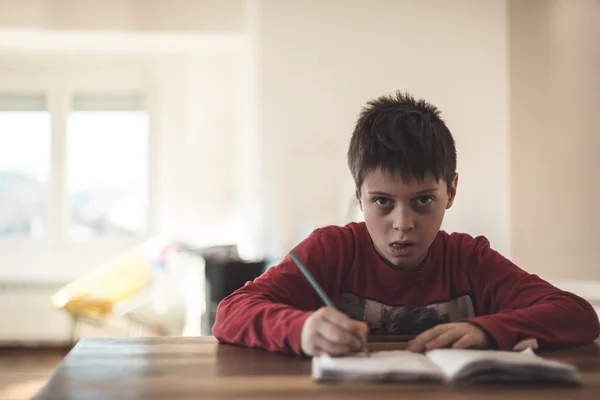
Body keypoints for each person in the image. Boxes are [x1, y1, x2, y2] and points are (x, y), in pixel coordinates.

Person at [212, 91, 600, 356]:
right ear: (358, 196)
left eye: (423, 201)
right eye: (382, 201)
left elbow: (577, 314)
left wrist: (489, 330)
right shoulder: (331, 251)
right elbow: (231, 312)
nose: (403, 224)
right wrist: (300, 330)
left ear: (451, 191)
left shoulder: (468, 259)